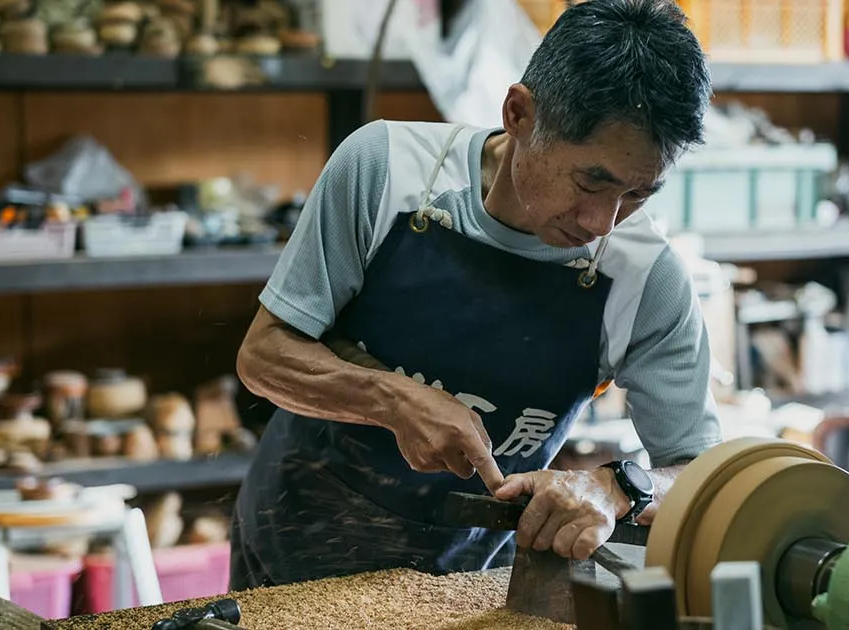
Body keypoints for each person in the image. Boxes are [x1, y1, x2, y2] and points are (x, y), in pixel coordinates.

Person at [228, 0, 721, 590]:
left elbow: (702, 474)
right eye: (593, 180)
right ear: (519, 113)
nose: (603, 222)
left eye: (640, 193)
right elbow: (264, 356)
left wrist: (617, 487)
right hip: (296, 548)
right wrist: (392, 400)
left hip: (473, 578)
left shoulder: (647, 276)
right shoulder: (386, 170)